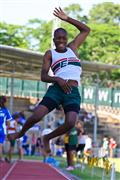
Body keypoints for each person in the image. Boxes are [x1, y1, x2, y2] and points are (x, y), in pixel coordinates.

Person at [8, 7, 90, 155]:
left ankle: (47, 138)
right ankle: (21, 133)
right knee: (37, 115)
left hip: (72, 91)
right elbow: (43, 76)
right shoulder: (50, 54)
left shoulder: (73, 48)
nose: (61, 40)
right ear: (54, 40)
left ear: (66, 39)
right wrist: (57, 79)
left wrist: (67, 19)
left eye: (64, 38)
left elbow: (86, 30)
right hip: (57, 89)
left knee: (71, 122)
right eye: (58, 38)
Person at [0, 96, 12, 162]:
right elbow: (9, 123)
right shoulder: (5, 110)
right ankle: (1, 159)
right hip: (2, 130)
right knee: (0, 145)